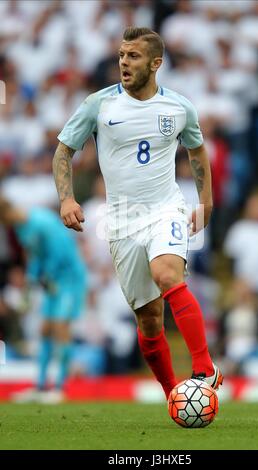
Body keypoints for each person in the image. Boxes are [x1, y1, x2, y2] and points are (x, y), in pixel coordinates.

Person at [53, 27, 223, 399]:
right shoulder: (99, 104)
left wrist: (205, 202)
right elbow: (64, 150)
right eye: (121, 55)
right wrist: (66, 198)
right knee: (149, 321)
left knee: (167, 273)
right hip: (122, 220)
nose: (124, 63)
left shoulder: (179, 107)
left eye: (133, 56)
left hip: (166, 208)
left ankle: (204, 369)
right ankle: (173, 395)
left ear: (155, 63)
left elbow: (197, 151)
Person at [0, 197, 87, 403]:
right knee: (45, 329)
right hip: (52, 282)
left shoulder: (42, 221)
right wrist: (30, 284)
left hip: (69, 279)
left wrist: (47, 275)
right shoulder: (22, 230)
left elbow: (62, 250)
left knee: (60, 328)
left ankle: (59, 387)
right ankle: (40, 386)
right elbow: (34, 257)